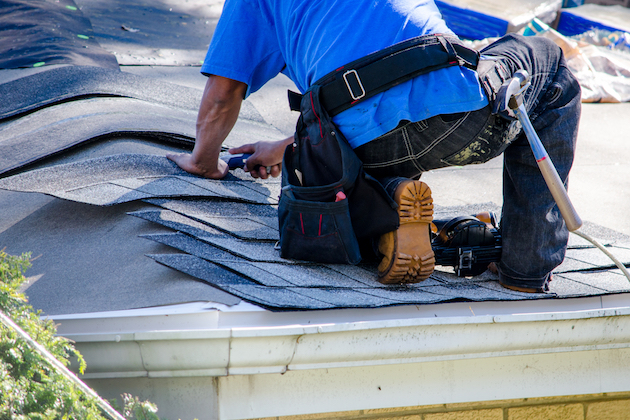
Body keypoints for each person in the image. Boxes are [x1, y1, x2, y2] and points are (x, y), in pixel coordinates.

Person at [167, 0, 581, 293]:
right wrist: (279, 146)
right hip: (458, 117)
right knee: (548, 61)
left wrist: (205, 162)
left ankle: (389, 211)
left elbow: (223, 94)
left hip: (343, 152)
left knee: (361, 149)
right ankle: (525, 268)